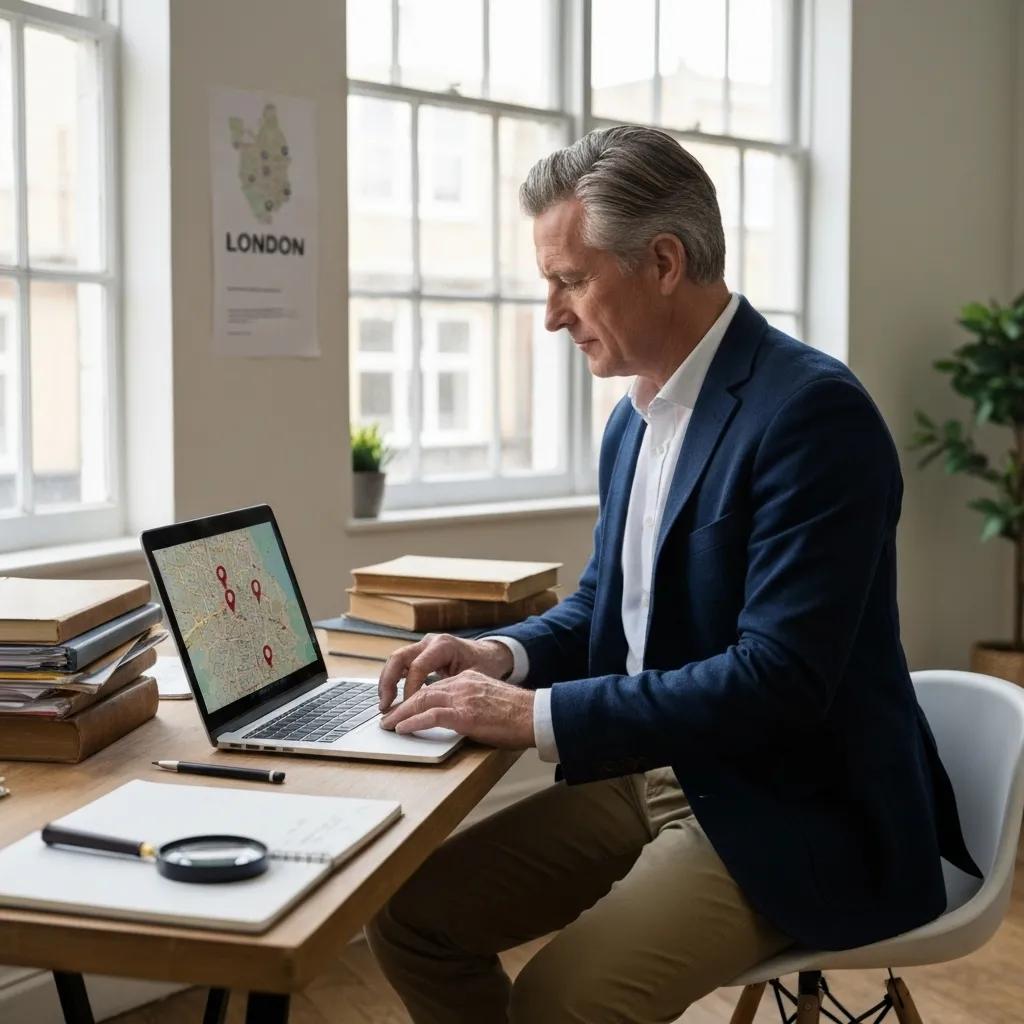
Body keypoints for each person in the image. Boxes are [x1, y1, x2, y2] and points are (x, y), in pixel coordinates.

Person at [366, 125, 979, 1024]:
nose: (551, 315)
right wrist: (500, 656)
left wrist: (533, 717)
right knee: (410, 917)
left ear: (662, 261)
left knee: (557, 1004)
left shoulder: (814, 415)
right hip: (661, 775)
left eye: (570, 280)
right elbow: (604, 612)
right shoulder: (634, 417)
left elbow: (779, 681)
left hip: (797, 809)